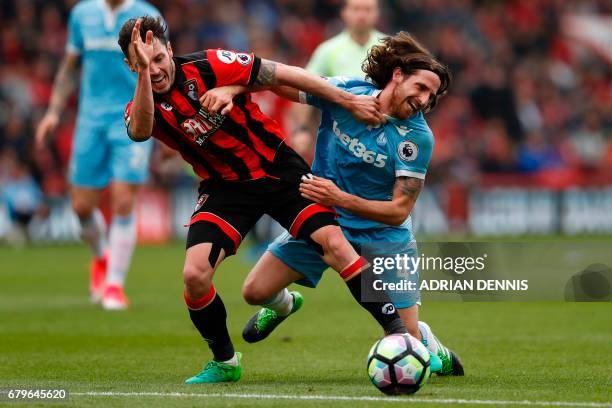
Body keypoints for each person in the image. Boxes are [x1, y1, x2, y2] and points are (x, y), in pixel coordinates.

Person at [118, 16, 408, 384]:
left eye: (159, 58)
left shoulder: (208, 65)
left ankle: (396, 331)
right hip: (225, 188)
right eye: (144, 62)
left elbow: (281, 74)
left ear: (170, 50)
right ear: (131, 65)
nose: (156, 68)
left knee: (335, 244)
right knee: (194, 275)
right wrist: (145, 74)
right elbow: (140, 132)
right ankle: (226, 361)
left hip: (277, 169)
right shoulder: (141, 103)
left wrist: (346, 101)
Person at [217, 32, 463, 376]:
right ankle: (285, 305)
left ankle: (427, 340)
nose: (424, 100)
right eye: (421, 88)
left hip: (384, 237)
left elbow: (399, 211)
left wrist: (339, 197)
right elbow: (279, 83)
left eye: (431, 96)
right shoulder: (348, 92)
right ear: (398, 75)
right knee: (254, 291)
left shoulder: (417, 138)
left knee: (405, 339)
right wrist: (234, 87)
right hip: (325, 222)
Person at [35, 0, 161, 310]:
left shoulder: (148, 16)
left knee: (122, 200)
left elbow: (163, 70)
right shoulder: (82, 14)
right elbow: (70, 67)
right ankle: (101, 256)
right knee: (80, 207)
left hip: (132, 117)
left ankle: (115, 285)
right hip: (90, 119)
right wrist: (53, 111)